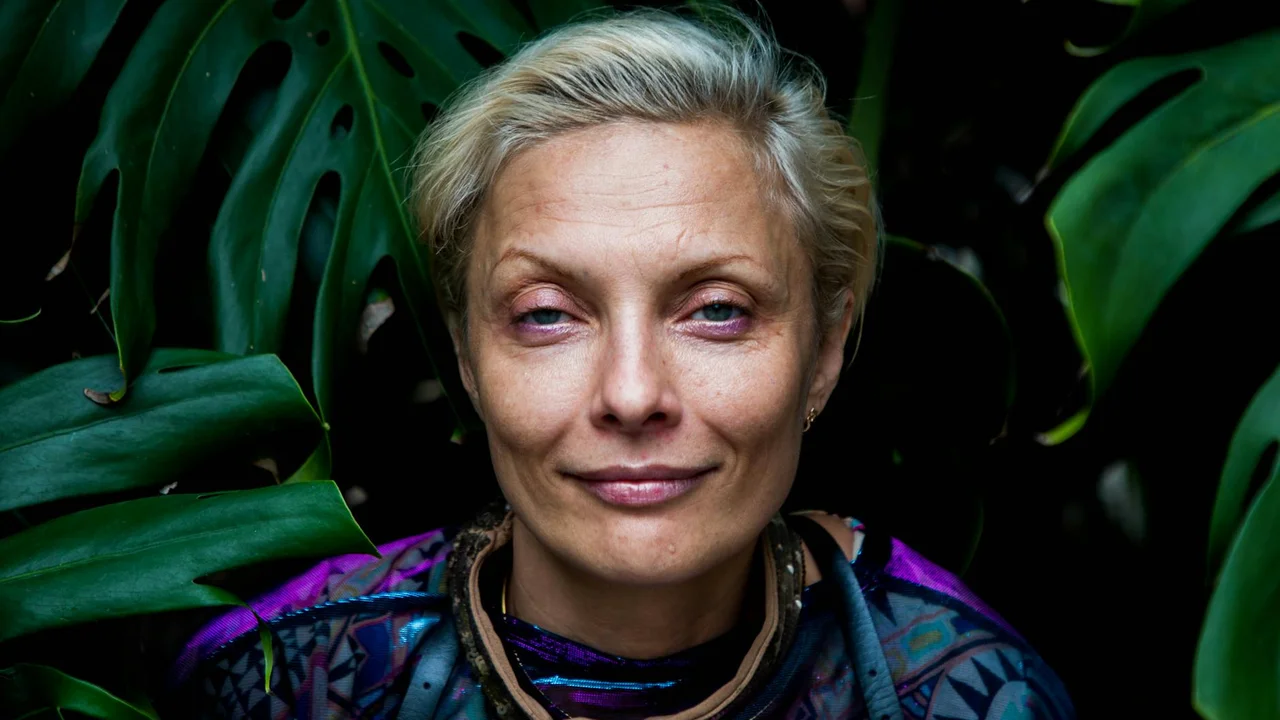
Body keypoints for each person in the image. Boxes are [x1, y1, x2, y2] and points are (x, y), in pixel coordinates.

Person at [172, 7, 1073, 719]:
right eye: (548, 316)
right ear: (467, 355)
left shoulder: (965, 693)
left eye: (717, 312)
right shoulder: (287, 682)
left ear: (825, 350)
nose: (633, 394)